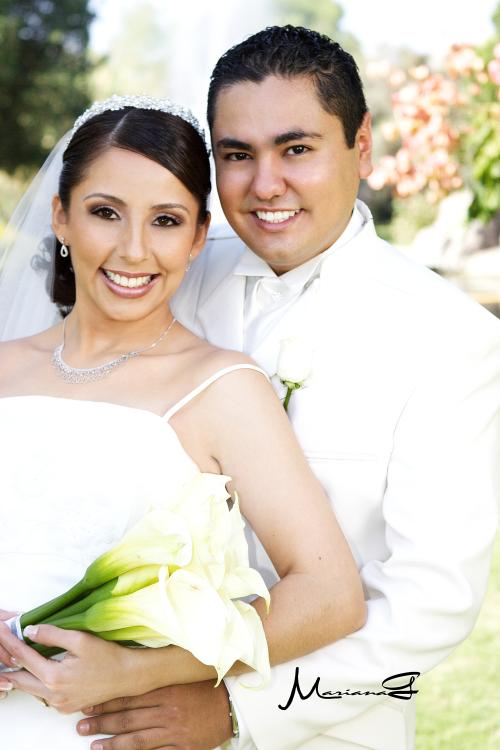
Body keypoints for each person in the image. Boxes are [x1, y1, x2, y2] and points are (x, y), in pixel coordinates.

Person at [76, 26, 500, 750]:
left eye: (295, 149)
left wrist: (240, 712)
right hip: (112, 712)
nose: (264, 184)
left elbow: (432, 603)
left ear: (362, 146)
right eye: (237, 155)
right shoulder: (159, 276)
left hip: (324, 734)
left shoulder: (450, 336)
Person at [0, 94, 367, 749]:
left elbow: (331, 594)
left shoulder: (223, 388)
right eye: (105, 213)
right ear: (60, 217)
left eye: (165, 220)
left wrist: (139, 668)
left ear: (199, 235)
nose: (134, 250)